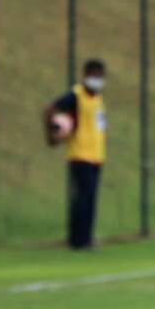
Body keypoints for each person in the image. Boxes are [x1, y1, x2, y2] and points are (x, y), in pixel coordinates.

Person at [43, 59, 107, 250]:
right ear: (86, 75)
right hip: (80, 155)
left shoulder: (97, 99)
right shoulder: (75, 96)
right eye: (94, 75)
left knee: (91, 199)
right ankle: (77, 240)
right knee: (82, 199)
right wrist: (51, 135)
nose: (97, 79)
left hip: (96, 155)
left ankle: (86, 237)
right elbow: (50, 108)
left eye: (100, 76)